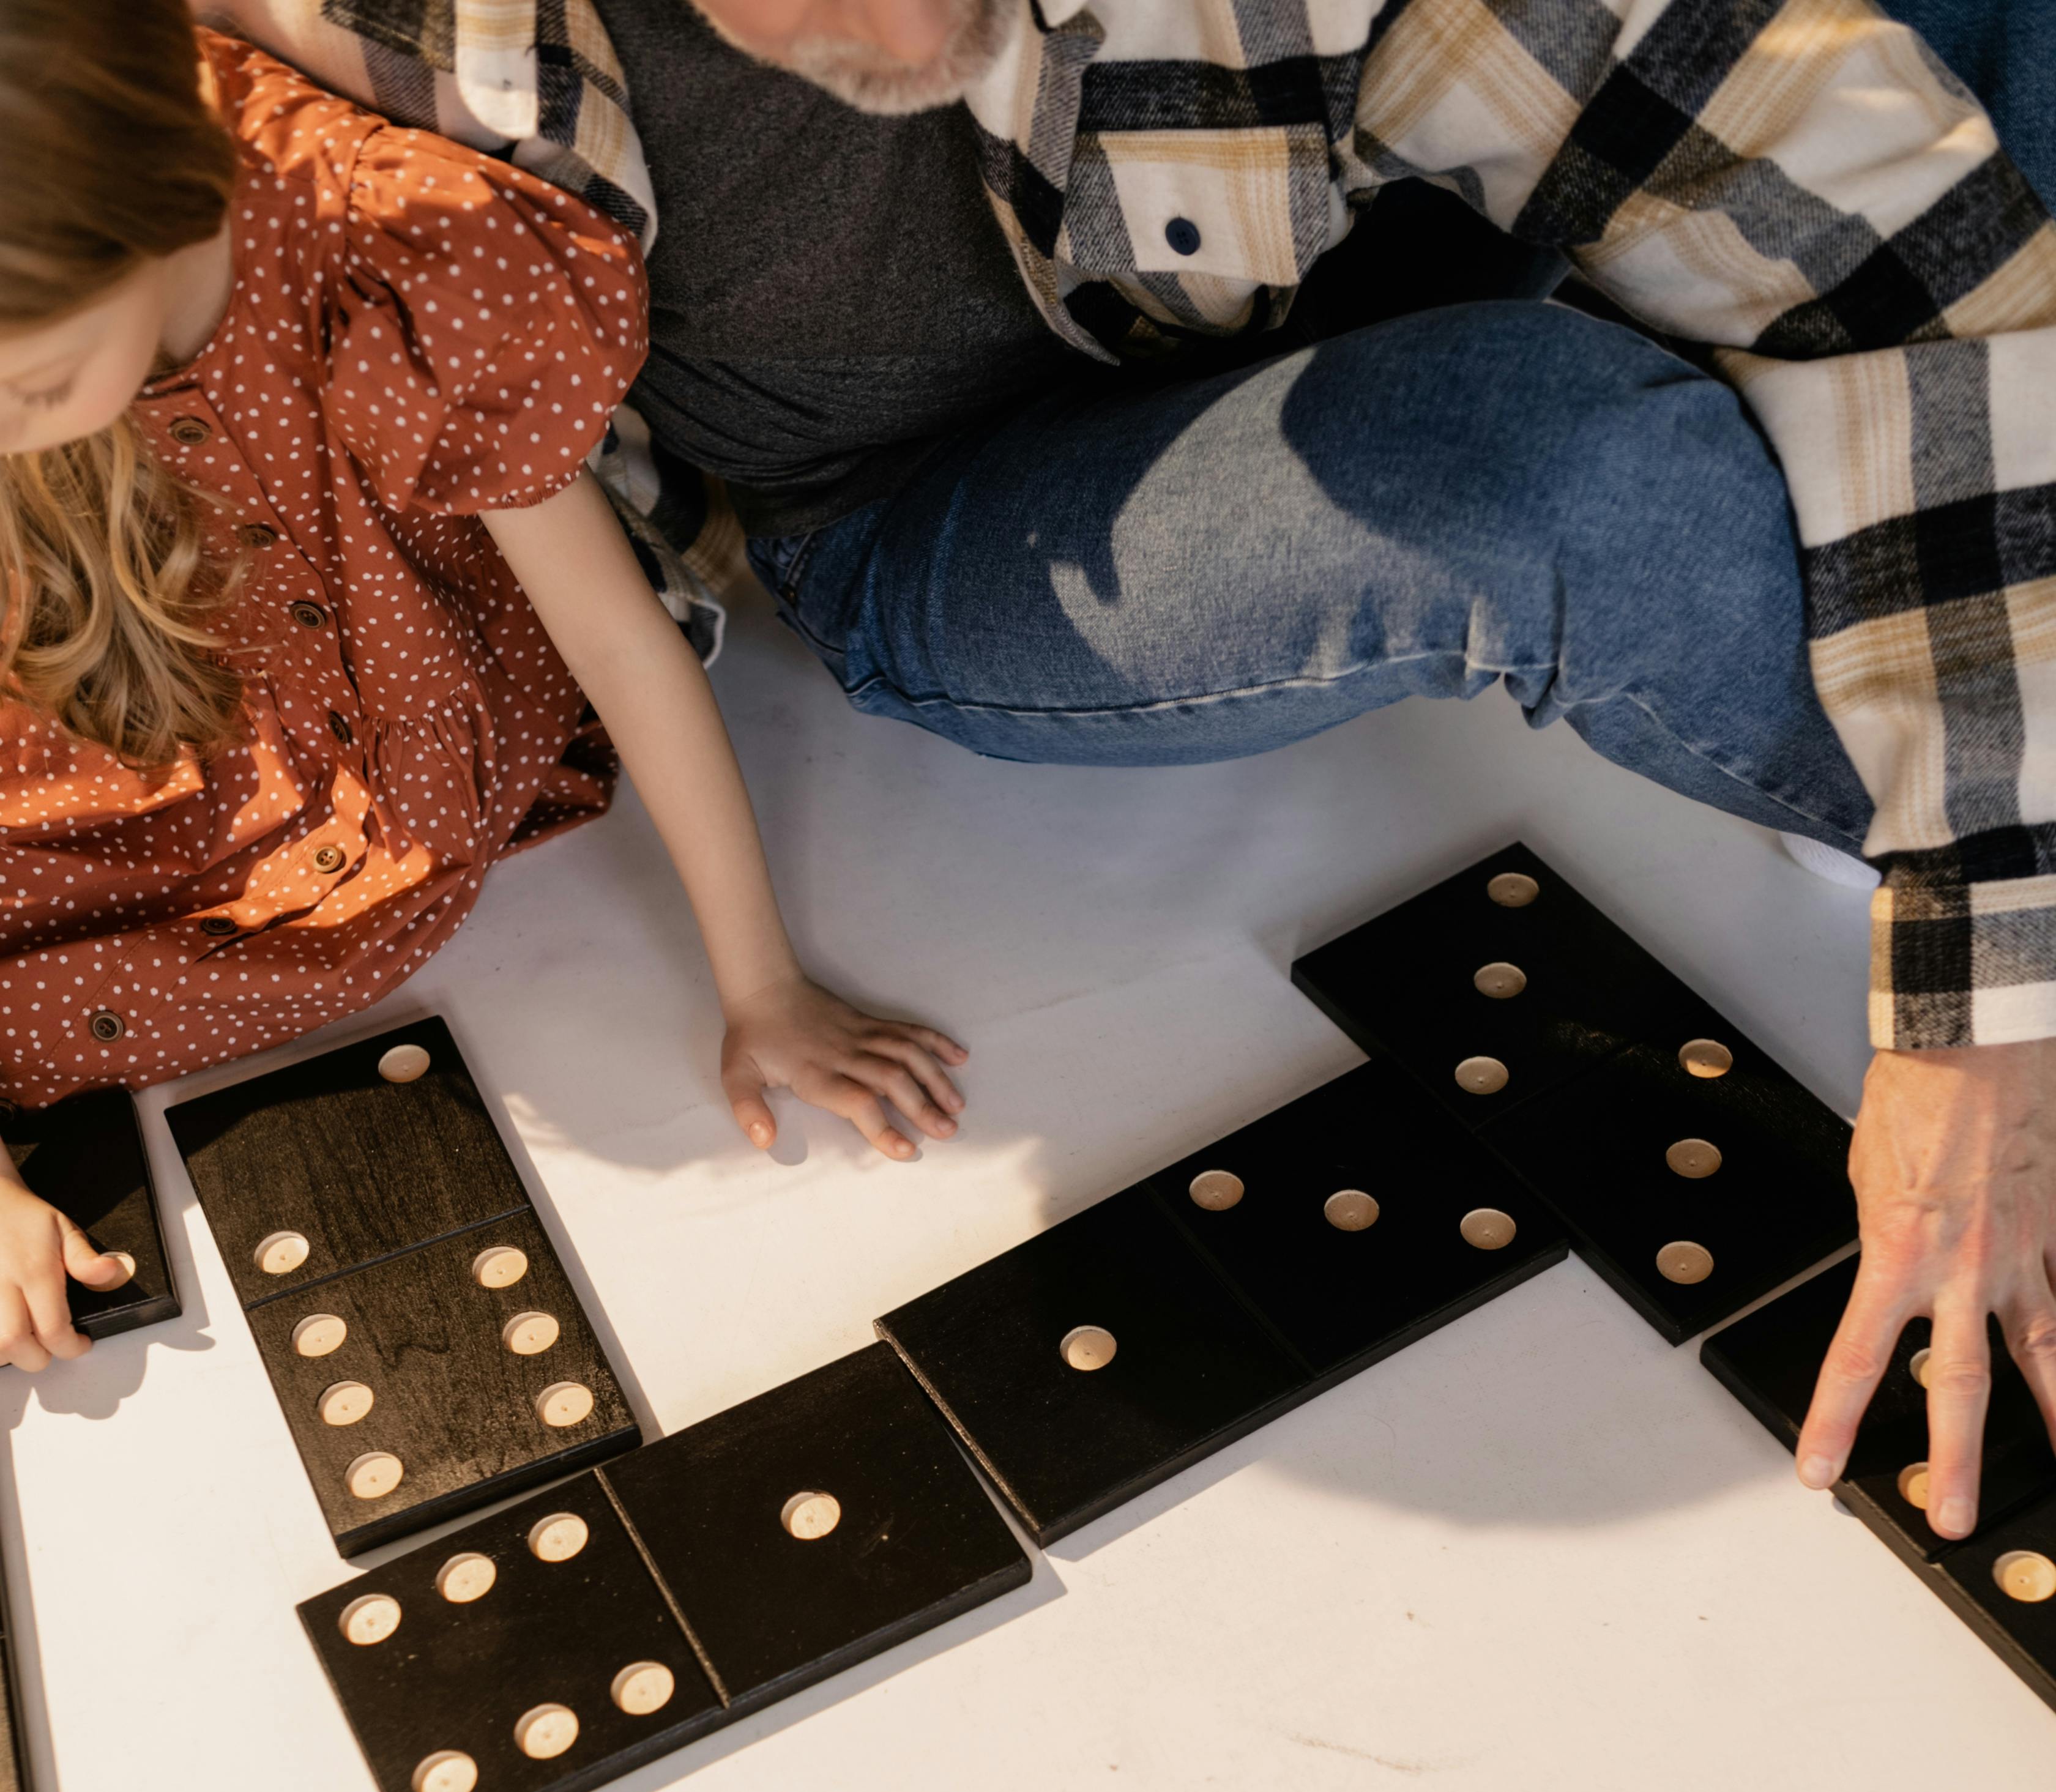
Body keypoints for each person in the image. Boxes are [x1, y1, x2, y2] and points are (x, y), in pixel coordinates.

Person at [218, 0, 2056, 1551]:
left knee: (1937, 59)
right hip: (928, 524)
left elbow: (1925, 260)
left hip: (1326, 263)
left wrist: (1991, 997)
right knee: (1544, 470)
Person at [0, 0, 969, 1379]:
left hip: (358, 703)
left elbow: (618, 641)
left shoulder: (394, 254)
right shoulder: (51, 302)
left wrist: (766, 986)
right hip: (114, 623)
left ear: (151, 213)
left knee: (286, 921)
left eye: (32, 384)